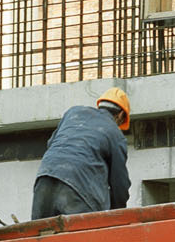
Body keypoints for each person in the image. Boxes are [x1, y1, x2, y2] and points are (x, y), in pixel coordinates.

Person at [32, 86, 131, 219]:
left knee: (41, 235)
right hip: (79, 186)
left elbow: (51, 144)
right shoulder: (115, 133)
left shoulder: (73, 113)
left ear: (100, 105)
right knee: (84, 237)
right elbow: (119, 184)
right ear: (120, 115)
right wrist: (116, 217)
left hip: (45, 178)